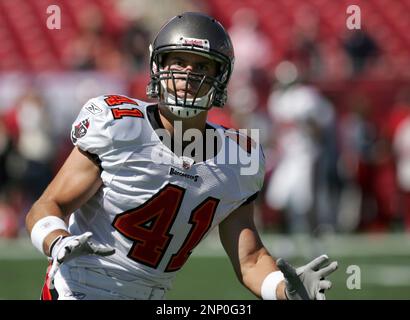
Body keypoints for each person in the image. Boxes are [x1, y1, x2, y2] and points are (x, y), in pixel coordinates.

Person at [25, 12, 337, 300]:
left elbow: (250, 259)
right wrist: (57, 239)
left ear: (221, 76)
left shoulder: (238, 157)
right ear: (158, 67)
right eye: (177, 62)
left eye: (201, 66)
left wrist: (284, 291)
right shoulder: (118, 125)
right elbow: (47, 206)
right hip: (78, 289)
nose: (188, 75)